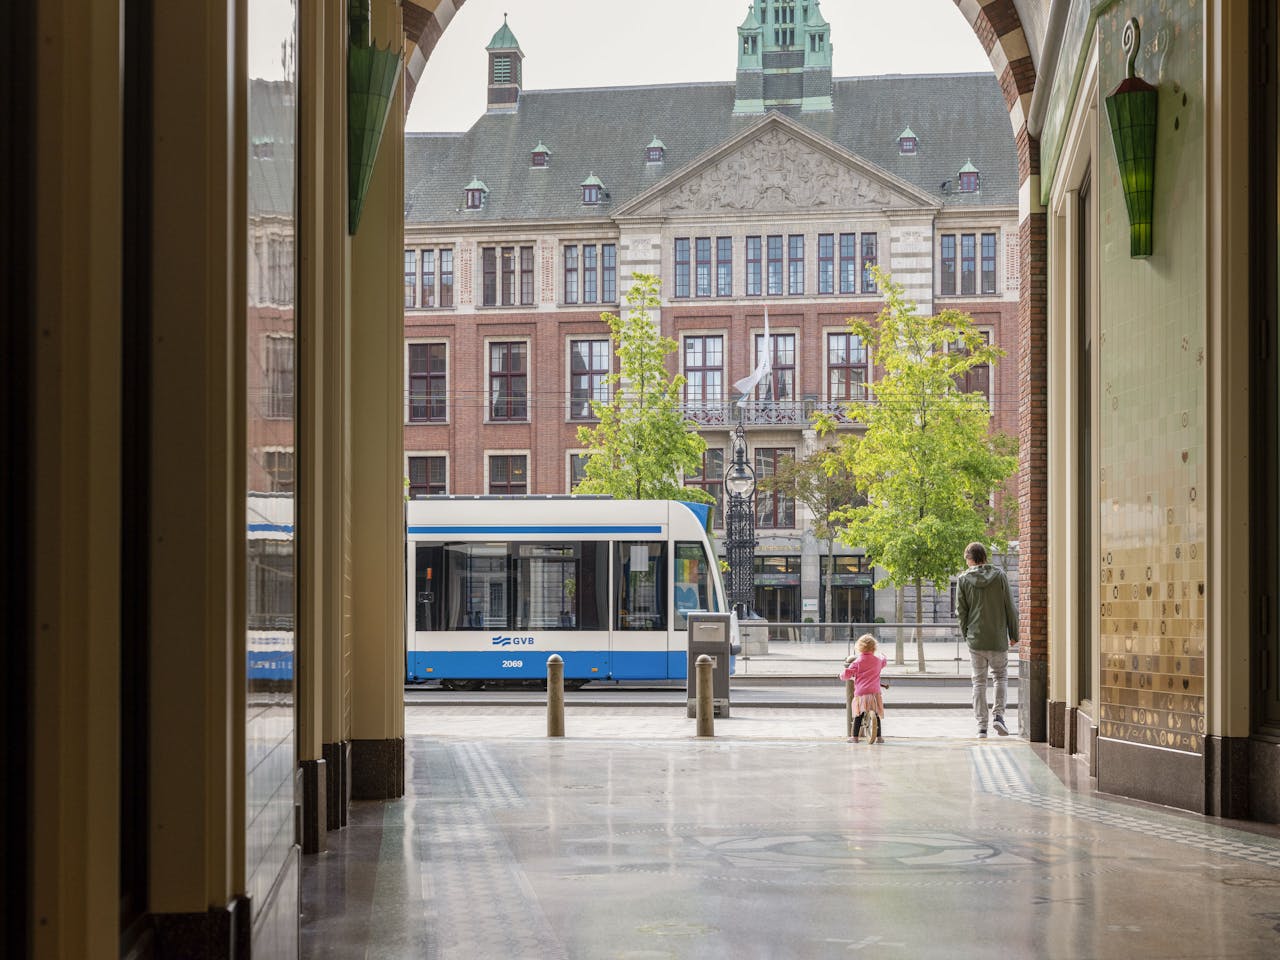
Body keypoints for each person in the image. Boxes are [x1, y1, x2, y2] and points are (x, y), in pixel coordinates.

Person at [956, 541, 1019, 738]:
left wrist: (967, 635)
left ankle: (981, 727)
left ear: (970, 558)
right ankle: (998, 716)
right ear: (984, 557)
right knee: (1000, 677)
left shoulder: (963, 579)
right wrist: (1014, 634)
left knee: (979, 682)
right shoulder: (999, 576)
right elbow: (1010, 605)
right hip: (998, 637)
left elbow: (961, 612)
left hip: (976, 639)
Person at [839, 633, 887, 743]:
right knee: (876, 714)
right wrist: (883, 656)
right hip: (875, 692)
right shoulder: (878, 661)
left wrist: (840, 676)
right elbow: (884, 662)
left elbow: (847, 674)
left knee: (858, 714)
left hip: (861, 693)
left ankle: (854, 737)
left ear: (859, 647)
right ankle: (879, 737)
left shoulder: (857, 662)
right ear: (874, 647)